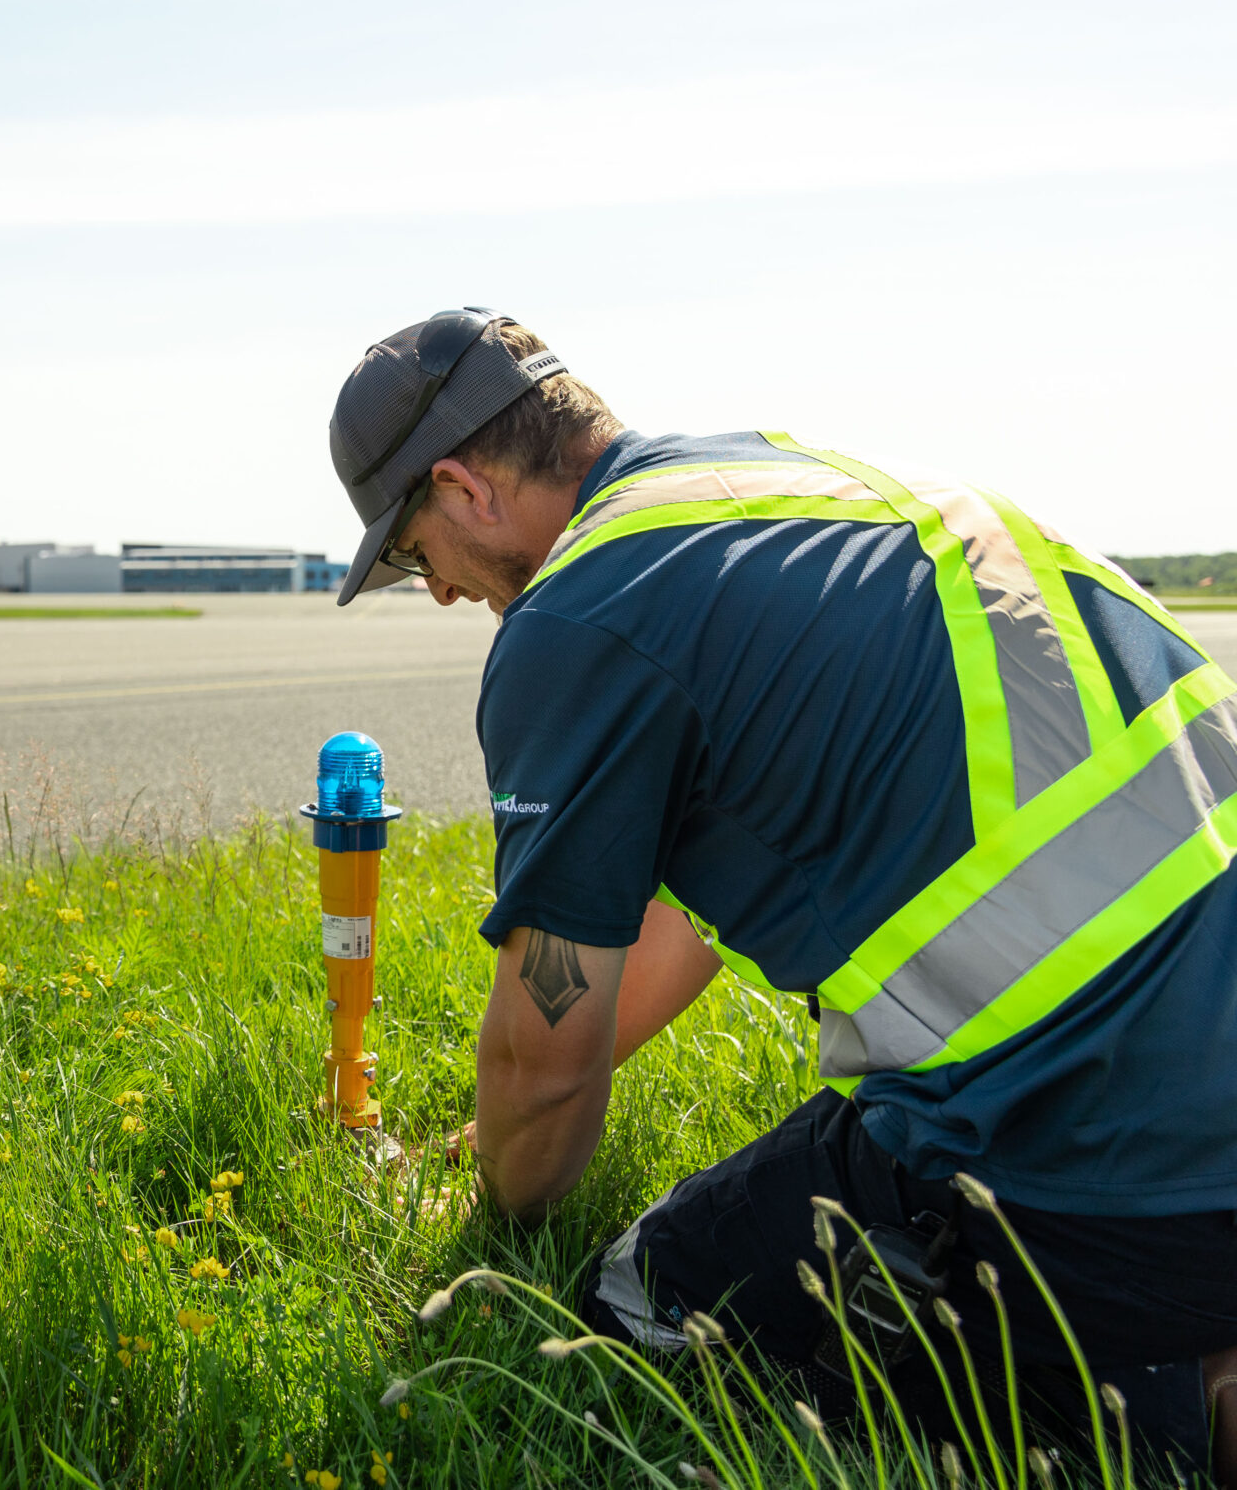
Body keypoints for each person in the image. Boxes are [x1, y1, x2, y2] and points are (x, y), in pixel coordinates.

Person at [326, 308, 1237, 1478]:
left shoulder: (580, 617)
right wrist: (482, 1137)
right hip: (1192, 1071)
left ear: (464, 488)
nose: (438, 593)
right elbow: (682, 926)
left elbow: (539, 1063)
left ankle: (1126, 1394)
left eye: (410, 555)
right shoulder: (786, 482)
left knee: (642, 1300)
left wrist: (486, 1221)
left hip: (1108, 1127)